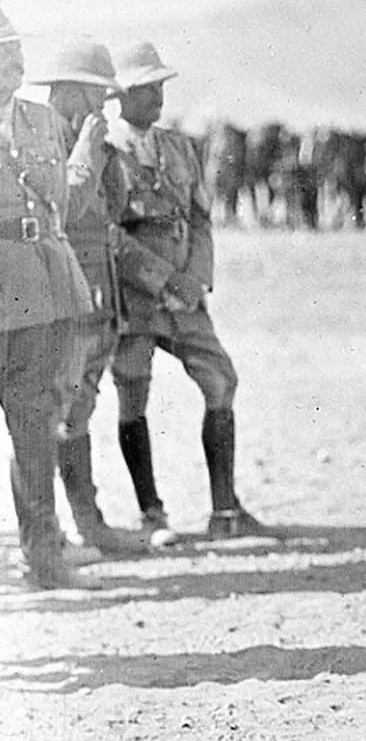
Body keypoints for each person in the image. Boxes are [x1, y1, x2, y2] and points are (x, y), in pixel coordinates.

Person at [106, 41, 271, 540]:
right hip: (135, 299)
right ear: (121, 95)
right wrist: (161, 279)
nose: (157, 97)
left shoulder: (179, 146)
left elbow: (200, 218)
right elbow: (110, 234)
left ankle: (225, 512)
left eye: (160, 86)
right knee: (132, 395)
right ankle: (151, 513)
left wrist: (196, 279)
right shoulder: (105, 152)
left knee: (221, 381)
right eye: (146, 88)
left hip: (185, 299)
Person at [31, 39, 148, 557]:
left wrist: (107, 158)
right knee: (66, 408)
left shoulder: (89, 140)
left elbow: (117, 209)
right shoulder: (42, 139)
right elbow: (68, 210)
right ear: (71, 92)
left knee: (80, 405)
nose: (104, 108)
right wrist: (86, 152)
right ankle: (78, 525)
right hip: (64, 297)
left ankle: (84, 521)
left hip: (96, 295)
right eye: (97, 96)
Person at [0, 11, 101, 589]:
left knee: (33, 428)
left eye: (14, 51)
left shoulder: (40, 121)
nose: (12, 62)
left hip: (38, 293)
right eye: (0, 53)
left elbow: (62, 200)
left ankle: (43, 556)